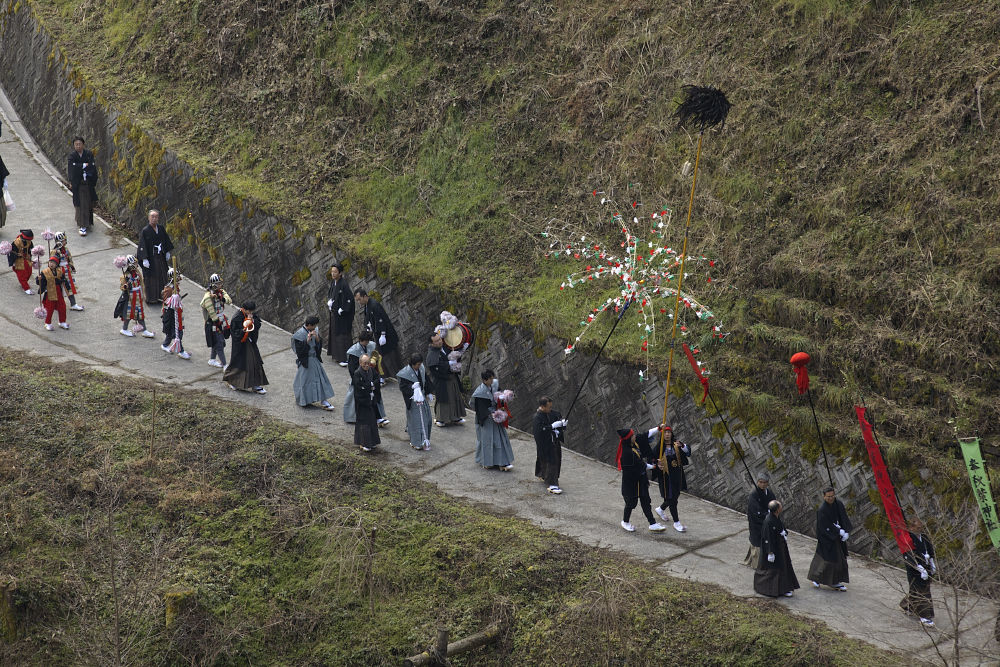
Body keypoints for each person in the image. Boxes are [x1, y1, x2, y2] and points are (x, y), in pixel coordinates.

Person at [616, 425, 668, 532]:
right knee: (631, 503)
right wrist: (654, 466)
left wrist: (659, 428)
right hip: (631, 482)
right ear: (629, 438)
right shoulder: (627, 453)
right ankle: (625, 522)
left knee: (645, 500)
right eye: (633, 435)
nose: (635, 436)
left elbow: (645, 435)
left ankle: (652, 523)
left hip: (641, 479)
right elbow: (641, 465)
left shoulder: (634, 443)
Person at [807, 487, 853, 591]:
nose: (831, 498)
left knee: (840, 560)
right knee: (827, 560)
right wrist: (837, 531)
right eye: (828, 497)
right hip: (827, 538)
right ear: (824, 497)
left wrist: (845, 531)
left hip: (838, 537)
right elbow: (823, 525)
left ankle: (835, 581)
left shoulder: (838, 504)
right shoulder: (822, 510)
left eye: (832, 496)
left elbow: (843, 517)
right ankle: (818, 578)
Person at [470, 370, 515, 470]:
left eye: (492, 377)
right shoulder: (480, 392)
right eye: (490, 378)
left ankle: (502, 462)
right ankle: (487, 462)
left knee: (500, 440)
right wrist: (492, 415)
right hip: (487, 419)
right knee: (488, 441)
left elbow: (500, 395)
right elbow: (480, 409)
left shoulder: (494, 385)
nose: (492, 380)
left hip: (496, 416)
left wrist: (503, 399)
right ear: (484, 380)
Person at [754, 500, 800, 598]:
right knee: (773, 570)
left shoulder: (776, 517)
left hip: (780, 547)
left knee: (783, 567)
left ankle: (784, 588)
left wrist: (783, 532)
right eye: (780, 506)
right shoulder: (769, 521)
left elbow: (781, 527)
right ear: (777, 510)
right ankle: (772, 589)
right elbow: (767, 537)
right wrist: (770, 552)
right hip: (774, 549)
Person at [292, 315, 336, 411]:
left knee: (320, 379)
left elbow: (318, 345)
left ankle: (324, 400)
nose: (315, 327)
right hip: (306, 361)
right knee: (305, 381)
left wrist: (317, 339)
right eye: (314, 325)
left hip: (314, 359)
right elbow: (299, 351)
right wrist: (306, 341)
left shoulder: (314, 330)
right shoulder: (299, 334)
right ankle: (304, 400)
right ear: (310, 325)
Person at [355, 289, 401, 379]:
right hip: (378, 335)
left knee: (390, 358)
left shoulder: (374, 305)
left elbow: (381, 320)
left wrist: (383, 334)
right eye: (357, 300)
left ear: (365, 296)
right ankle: (384, 376)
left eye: (359, 299)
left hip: (386, 336)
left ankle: (395, 377)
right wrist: (369, 326)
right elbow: (369, 319)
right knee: (381, 357)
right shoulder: (367, 306)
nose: (358, 302)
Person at [343, 332, 387, 426]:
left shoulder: (371, 345)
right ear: (360, 340)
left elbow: (375, 356)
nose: (367, 343)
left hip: (370, 374)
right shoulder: (354, 351)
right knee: (360, 398)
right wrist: (358, 379)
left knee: (374, 395)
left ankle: (377, 417)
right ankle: (354, 417)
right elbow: (352, 369)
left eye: (368, 341)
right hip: (359, 377)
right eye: (365, 341)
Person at [223, 301, 268, 394]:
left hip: (250, 342)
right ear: (244, 309)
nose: (251, 313)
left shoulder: (251, 314)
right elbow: (235, 333)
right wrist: (245, 328)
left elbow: (258, 324)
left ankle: (255, 385)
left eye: (252, 312)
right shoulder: (237, 317)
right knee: (240, 364)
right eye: (249, 311)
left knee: (255, 362)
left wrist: (253, 321)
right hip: (241, 344)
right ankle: (231, 380)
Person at [651, 427, 691, 532]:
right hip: (666, 477)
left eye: (669, 432)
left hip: (677, 474)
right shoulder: (659, 447)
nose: (667, 434)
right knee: (672, 499)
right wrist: (656, 463)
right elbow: (652, 460)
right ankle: (677, 522)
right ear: (662, 435)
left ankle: (660, 509)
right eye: (665, 433)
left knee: (675, 495)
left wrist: (682, 446)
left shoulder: (676, 445)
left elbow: (687, 451)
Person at [900, 518, 936, 628]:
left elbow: (930, 550)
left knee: (917, 590)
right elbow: (908, 555)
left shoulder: (924, 537)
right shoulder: (908, 538)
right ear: (911, 527)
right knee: (921, 591)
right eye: (918, 528)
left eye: (921, 527)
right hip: (914, 568)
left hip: (926, 566)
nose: (920, 529)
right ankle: (924, 616)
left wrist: (932, 562)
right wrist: (919, 568)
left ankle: (907, 605)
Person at [426, 333, 467, 426]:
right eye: (436, 341)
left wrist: (462, 350)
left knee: (455, 396)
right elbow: (435, 367)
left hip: (452, 377)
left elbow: (455, 354)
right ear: (431, 344)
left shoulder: (446, 347)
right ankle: (441, 419)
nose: (440, 341)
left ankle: (455, 417)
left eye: (440, 339)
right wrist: (448, 363)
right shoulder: (431, 354)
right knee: (443, 399)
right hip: (442, 380)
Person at [397, 353, 434, 451]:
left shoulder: (421, 368)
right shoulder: (404, 373)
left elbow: (426, 380)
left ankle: (425, 439)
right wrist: (412, 387)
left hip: (422, 398)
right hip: (413, 400)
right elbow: (403, 387)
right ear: (412, 364)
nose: (418, 366)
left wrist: (429, 392)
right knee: (417, 421)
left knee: (427, 419)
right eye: (417, 364)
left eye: (420, 364)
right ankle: (416, 442)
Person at [136, 209, 173, 304]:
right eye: (152, 216)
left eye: (156, 217)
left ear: (158, 218)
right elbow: (142, 245)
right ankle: (152, 298)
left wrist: (167, 251)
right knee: (152, 278)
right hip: (151, 259)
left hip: (160, 257)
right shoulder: (145, 231)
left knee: (163, 276)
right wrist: (144, 259)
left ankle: (164, 296)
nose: (154, 218)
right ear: (149, 218)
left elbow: (166, 240)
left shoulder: (161, 228)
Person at [115, 255, 156, 338]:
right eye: (135, 263)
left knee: (140, 314)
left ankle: (144, 330)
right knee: (128, 315)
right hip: (130, 298)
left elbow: (141, 283)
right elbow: (122, 287)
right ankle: (124, 329)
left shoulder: (137, 273)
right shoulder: (126, 275)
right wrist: (125, 286)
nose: (136, 265)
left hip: (138, 296)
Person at [531, 397, 565, 494]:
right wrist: (552, 426)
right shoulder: (537, 417)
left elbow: (557, 418)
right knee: (552, 461)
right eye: (549, 407)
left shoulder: (551, 413)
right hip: (545, 443)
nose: (550, 409)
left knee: (554, 459)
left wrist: (562, 424)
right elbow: (540, 431)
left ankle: (542, 474)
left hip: (554, 441)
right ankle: (552, 484)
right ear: (542, 407)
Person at [744, 473, 776, 567]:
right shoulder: (753, 494)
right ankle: (756, 564)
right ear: (757, 482)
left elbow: (774, 504)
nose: (762, 484)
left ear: (767, 483)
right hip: (756, 522)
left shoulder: (769, 493)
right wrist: (766, 515)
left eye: (764, 482)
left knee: (767, 541)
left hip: (767, 521)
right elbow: (755, 511)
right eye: (760, 482)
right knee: (756, 543)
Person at [67, 136, 97, 236]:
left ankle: (87, 222)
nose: (78, 146)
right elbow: (72, 168)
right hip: (78, 184)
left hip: (87, 183)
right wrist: (83, 166)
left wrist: (79, 166)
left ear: (83, 144)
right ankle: (82, 225)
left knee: (88, 203)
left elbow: (92, 166)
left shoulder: (88, 154)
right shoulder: (72, 156)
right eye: (76, 144)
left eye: (80, 144)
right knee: (81, 204)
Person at [200, 273, 231, 369]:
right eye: (219, 283)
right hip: (213, 322)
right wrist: (217, 322)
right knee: (219, 343)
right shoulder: (208, 297)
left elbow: (229, 300)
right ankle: (225, 365)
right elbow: (211, 312)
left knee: (218, 341)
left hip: (221, 320)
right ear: (214, 284)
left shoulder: (221, 292)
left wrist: (220, 297)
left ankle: (212, 359)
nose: (221, 285)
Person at [326, 263, 354, 365]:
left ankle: (344, 358)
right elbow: (331, 294)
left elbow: (349, 299)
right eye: (332, 271)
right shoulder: (334, 283)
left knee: (343, 335)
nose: (333, 274)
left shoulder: (343, 284)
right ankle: (337, 355)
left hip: (342, 316)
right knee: (334, 333)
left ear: (340, 273)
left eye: (335, 272)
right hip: (335, 314)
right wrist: (330, 301)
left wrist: (343, 309)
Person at [159, 268, 191, 359]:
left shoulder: (175, 287)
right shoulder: (169, 289)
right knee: (176, 332)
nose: (179, 278)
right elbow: (166, 301)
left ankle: (165, 345)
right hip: (170, 313)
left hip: (176, 312)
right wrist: (173, 300)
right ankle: (181, 351)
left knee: (173, 331)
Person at [353, 354, 382, 452]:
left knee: (372, 421)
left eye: (368, 363)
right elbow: (358, 387)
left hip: (371, 399)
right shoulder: (357, 373)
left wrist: (373, 384)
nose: (367, 365)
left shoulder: (371, 370)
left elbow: (377, 378)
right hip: (362, 401)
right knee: (364, 423)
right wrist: (369, 387)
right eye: (365, 363)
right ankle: (363, 442)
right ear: (360, 363)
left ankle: (372, 442)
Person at [36, 256, 70, 330]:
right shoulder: (44, 272)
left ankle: (62, 322)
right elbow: (39, 282)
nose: (51, 264)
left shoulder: (59, 271)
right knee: (49, 309)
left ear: (56, 264)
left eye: (54, 263)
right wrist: (38, 279)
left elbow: (64, 279)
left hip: (59, 292)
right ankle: (47, 323)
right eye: (50, 262)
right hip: (50, 293)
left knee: (62, 307)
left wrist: (68, 287)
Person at [53, 232, 85, 311]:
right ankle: (56, 305)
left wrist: (71, 266)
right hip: (59, 272)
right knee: (58, 289)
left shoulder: (66, 249)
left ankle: (73, 304)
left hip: (67, 270)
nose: (65, 241)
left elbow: (69, 259)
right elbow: (53, 263)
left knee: (70, 288)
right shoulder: (54, 251)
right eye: (63, 240)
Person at [9, 229, 34, 293]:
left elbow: (31, 249)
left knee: (29, 271)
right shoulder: (16, 243)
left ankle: (24, 283)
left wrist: (30, 254)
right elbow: (11, 253)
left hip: (26, 258)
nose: (29, 241)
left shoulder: (29, 241)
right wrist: (17, 255)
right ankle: (26, 288)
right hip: (18, 260)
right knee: (22, 274)